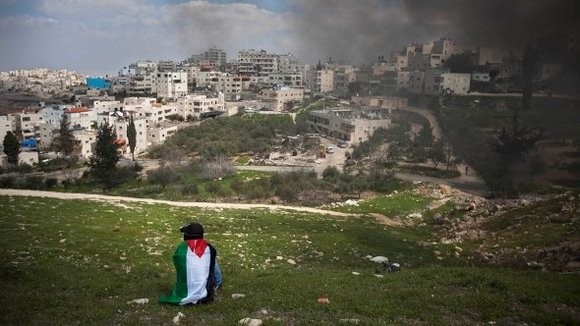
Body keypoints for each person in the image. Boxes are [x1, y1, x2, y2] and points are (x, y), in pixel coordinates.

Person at [159, 222, 222, 305]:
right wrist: (218, 282)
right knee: (211, 261)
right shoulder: (209, 248)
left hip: (185, 290)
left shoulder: (182, 249)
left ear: (187, 235)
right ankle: (217, 284)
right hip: (207, 294)